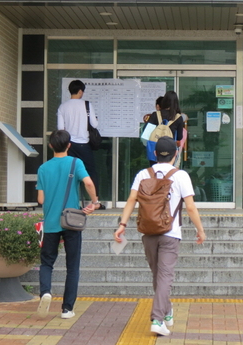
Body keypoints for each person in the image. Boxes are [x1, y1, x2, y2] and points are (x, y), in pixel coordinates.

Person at [114, 136, 206, 337]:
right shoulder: (181, 176)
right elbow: (190, 207)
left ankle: (166, 310)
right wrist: (200, 229)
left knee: (159, 275)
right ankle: (157, 319)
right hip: (170, 234)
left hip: (148, 233)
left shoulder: (143, 174)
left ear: (155, 154)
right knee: (164, 276)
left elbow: (131, 200)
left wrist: (122, 225)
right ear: (176, 154)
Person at [36, 130, 100, 319]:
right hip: (71, 221)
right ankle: (67, 309)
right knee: (72, 266)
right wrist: (94, 202)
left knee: (47, 263)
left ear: (50, 146)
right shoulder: (75, 163)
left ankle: (45, 292)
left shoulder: (43, 168)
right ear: (69, 145)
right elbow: (88, 183)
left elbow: (41, 200)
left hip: (50, 223)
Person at [57, 79, 100, 205]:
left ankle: (69, 201)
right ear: (80, 91)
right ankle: (95, 201)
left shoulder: (63, 107)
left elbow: (60, 128)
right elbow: (94, 124)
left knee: (70, 173)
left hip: (69, 145)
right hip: (84, 144)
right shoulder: (87, 105)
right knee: (90, 172)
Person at [145, 90, 185, 166]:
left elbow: (147, 133)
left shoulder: (155, 114)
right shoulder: (178, 118)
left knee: (155, 170)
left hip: (155, 148)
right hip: (170, 149)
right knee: (168, 171)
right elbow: (179, 137)